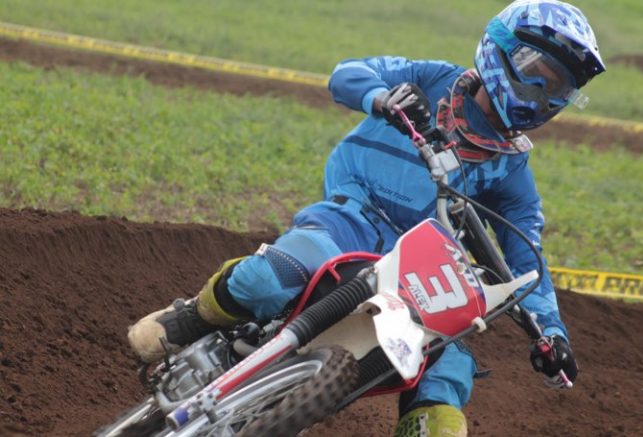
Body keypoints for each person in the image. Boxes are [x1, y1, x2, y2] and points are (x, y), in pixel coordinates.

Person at [127, 1, 605, 435]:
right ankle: (191, 318)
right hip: (351, 219)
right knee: (268, 279)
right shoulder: (430, 80)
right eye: (536, 73)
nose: (541, 93)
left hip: (419, 270)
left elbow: (527, 259)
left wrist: (552, 334)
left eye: (557, 86)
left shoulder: (513, 172)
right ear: (501, 50)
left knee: (449, 372)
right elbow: (347, 73)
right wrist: (382, 98)